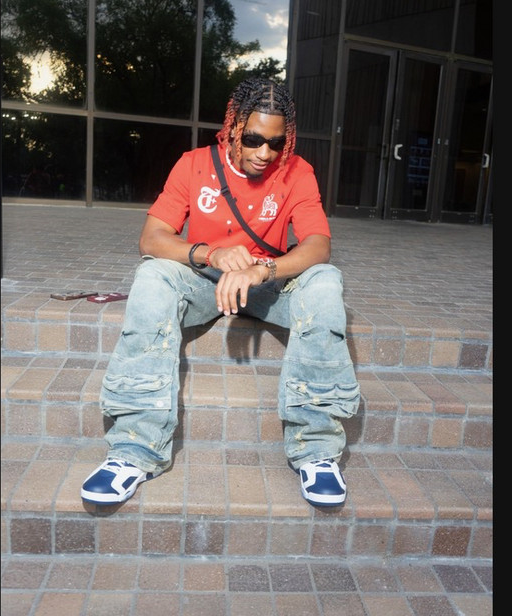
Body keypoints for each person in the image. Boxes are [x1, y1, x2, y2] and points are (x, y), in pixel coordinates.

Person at [81, 77, 360, 508]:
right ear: (232, 127)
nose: (265, 153)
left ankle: (317, 451)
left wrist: (263, 269)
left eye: (276, 143)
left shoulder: (297, 172)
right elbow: (152, 238)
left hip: (265, 285)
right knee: (153, 276)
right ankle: (133, 449)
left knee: (325, 281)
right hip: (204, 282)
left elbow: (318, 246)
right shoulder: (193, 165)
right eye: (253, 139)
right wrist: (210, 254)